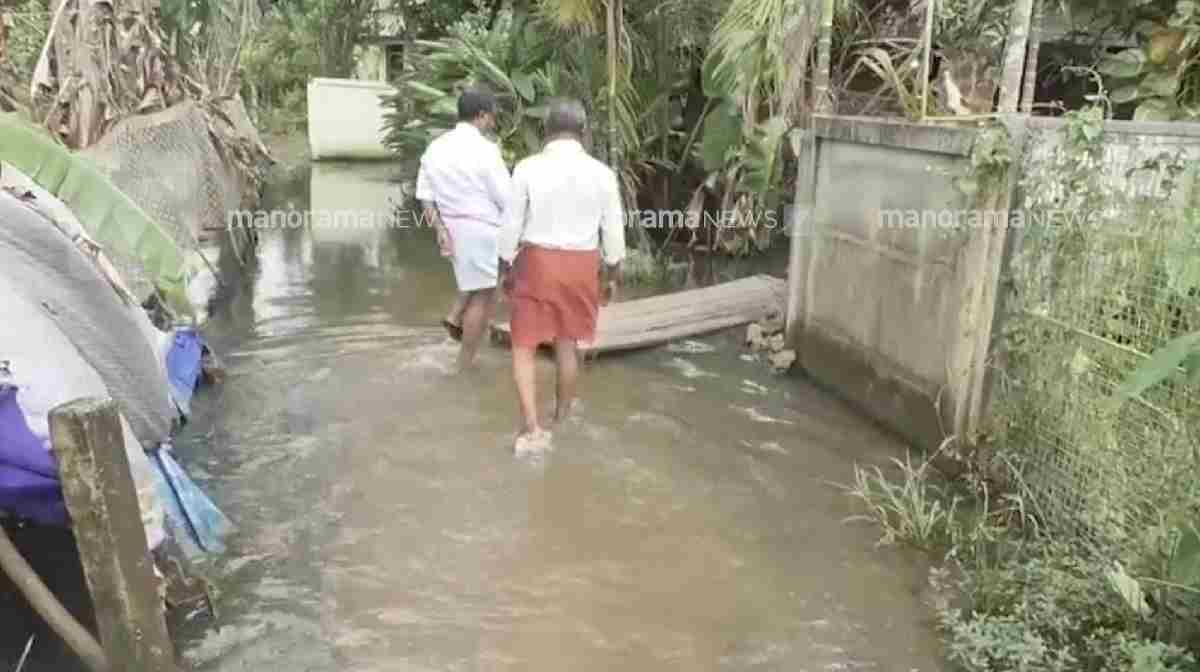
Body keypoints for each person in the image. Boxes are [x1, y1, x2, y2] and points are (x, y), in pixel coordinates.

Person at [497, 98, 625, 448]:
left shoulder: (526, 168)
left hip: (537, 263)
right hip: (581, 266)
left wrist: (504, 265)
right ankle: (563, 418)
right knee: (567, 344)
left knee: (523, 345)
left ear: (546, 131)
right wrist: (613, 272)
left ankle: (531, 427)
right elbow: (613, 231)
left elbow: (511, 225)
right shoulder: (602, 174)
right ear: (583, 132)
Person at [415, 86, 512, 369]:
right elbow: (505, 198)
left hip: (454, 230)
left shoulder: (435, 147)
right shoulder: (485, 150)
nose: (493, 122)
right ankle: (464, 365)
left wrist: (440, 231)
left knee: (479, 286)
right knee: (484, 295)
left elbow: (425, 196)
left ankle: (456, 320)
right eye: (491, 117)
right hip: (482, 229)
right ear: (481, 116)